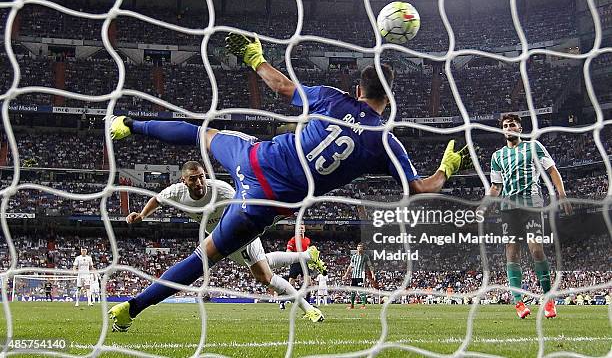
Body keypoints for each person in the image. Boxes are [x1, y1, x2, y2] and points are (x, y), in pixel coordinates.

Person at [107, 33, 471, 328]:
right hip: (263, 203)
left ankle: (128, 125)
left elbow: (281, 87)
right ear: (389, 100)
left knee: (199, 134)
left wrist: (255, 58)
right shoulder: (384, 143)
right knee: (204, 257)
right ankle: (131, 309)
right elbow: (419, 189)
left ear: (358, 91)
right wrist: (447, 169)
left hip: (253, 157)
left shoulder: (333, 99)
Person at [108, 161, 326, 331]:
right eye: (193, 179)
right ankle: (306, 256)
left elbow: (245, 207)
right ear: (184, 181)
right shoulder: (176, 192)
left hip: (240, 231)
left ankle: (309, 308)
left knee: (265, 277)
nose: (199, 183)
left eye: (202, 177)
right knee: (264, 264)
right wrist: (142, 215)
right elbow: (157, 199)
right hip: (219, 238)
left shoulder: (220, 189)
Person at [486, 113, 572, 319]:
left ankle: (549, 300)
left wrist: (562, 194)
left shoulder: (533, 147)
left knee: (536, 250)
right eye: (505, 125)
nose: (508, 127)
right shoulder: (497, 156)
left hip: (532, 204)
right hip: (508, 209)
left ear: (519, 128)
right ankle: (518, 302)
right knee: (512, 253)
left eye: (512, 124)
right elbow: (496, 186)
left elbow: (552, 170)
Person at [279, 224, 316, 310]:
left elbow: (308, 251)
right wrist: (289, 257)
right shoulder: (293, 239)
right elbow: (288, 250)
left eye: (302, 228)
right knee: (291, 283)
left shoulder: (307, 240)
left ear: (304, 230)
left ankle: (308, 303)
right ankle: (282, 302)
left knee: (308, 282)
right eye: (299, 228)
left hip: (304, 263)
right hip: (295, 262)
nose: (300, 229)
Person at [343, 243, 374, 309]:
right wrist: (346, 275)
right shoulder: (354, 256)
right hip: (354, 276)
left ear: (362, 249)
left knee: (361, 290)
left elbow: (370, 265)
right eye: (358, 247)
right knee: (353, 291)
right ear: (357, 248)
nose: (359, 248)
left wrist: (373, 274)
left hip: (361, 275)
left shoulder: (365, 256)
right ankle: (352, 305)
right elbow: (350, 266)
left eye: (361, 247)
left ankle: (363, 305)